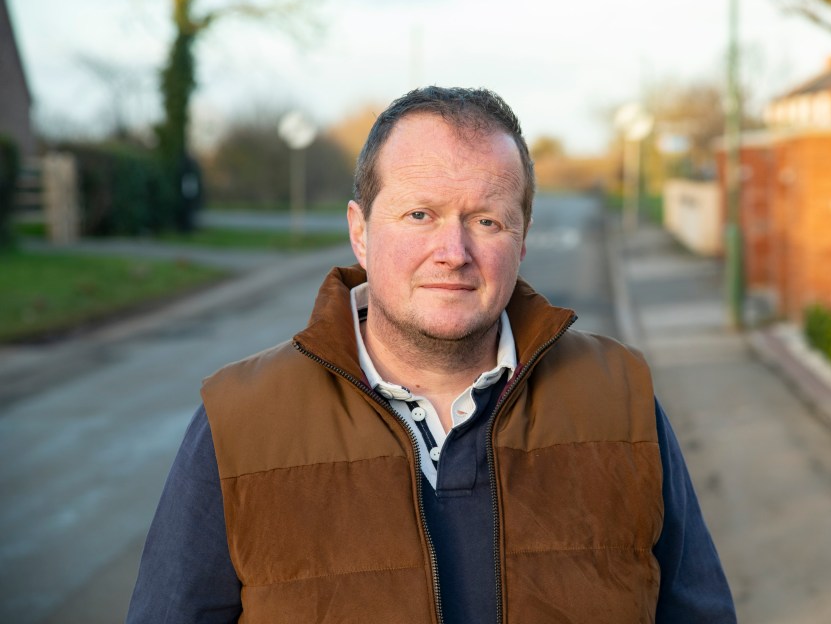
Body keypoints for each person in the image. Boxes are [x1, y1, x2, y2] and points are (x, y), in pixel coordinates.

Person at [126, 86, 736, 624]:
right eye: (420, 214)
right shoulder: (240, 421)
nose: (453, 251)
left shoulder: (618, 398)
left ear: (522, 238)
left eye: (488, 221)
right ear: (360, 231)